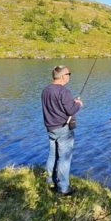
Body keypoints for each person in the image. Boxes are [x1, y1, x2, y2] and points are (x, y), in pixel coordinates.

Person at [41, 65, 83, 195]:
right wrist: (78, 104)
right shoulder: (63, 91)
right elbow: (70, 110)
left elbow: (57, 107)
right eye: (69, 74)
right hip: (63, 129)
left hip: (50, 128)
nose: (69, 76)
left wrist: (72, 102)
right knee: (65, 159)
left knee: (52, 156)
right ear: (63, 76)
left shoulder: (45, 90)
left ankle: (49, 181)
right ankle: (64, 189)